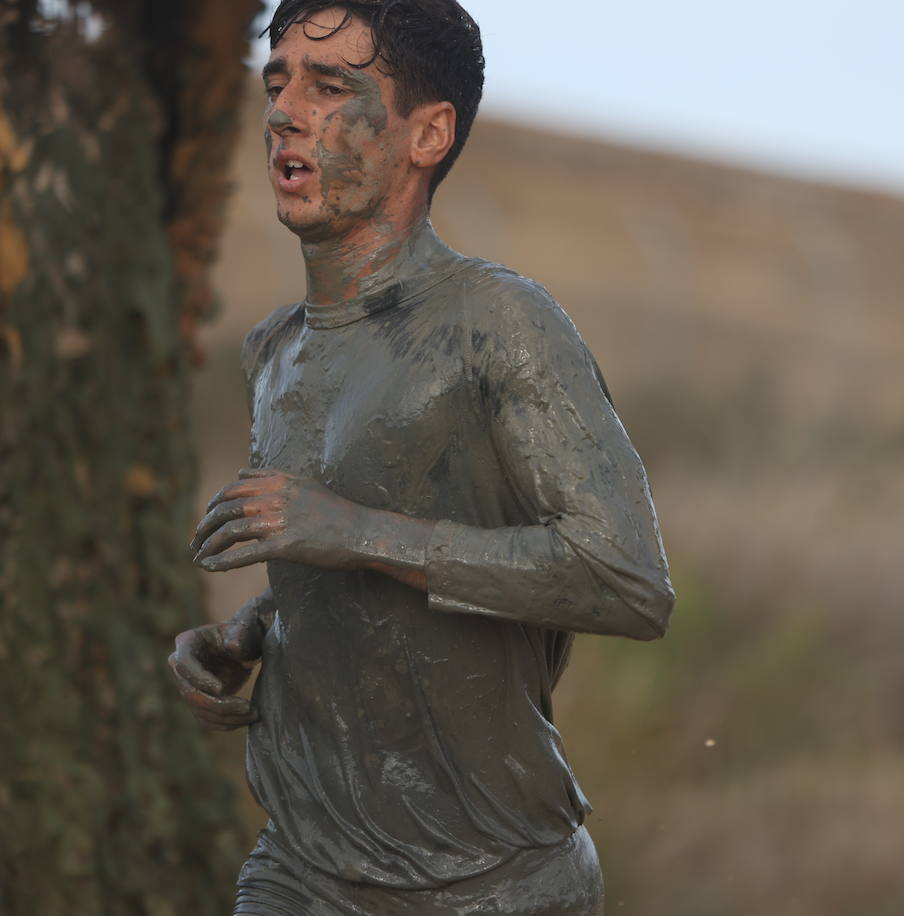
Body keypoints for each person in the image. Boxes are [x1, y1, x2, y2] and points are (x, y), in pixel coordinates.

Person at [166, 2, 674, 912]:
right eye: (277, 80)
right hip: (302, 865)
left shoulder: (500, 325)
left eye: (332, 87)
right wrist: (255, 632)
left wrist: (354, 532)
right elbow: (331, 557)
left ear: (427, 133)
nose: (285, 111)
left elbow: (627, 578)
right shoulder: (273, 349)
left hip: (488, 882)